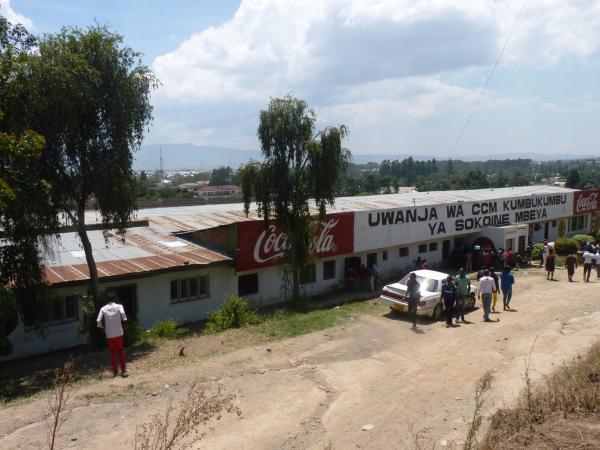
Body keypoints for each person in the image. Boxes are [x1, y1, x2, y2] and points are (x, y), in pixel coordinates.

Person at [97, 294, 128, 378]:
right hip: (119, 333)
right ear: (114, 299)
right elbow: (123, 314)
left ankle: (115, 372)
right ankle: (124, 370)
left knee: (113, 353)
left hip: (109, 334)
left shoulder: (103, 308)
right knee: (121, 351)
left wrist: (102, 328)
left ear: (107, 301)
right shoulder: (119, 306)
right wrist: (125, 322)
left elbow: (98, 320)